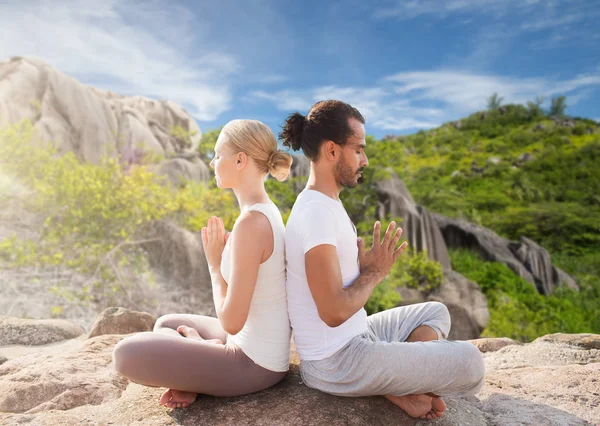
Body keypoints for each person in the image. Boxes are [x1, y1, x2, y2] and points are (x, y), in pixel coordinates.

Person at [280, 100, 485, 420]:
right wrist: (373, 273)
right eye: (358, 149)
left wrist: (359, 271)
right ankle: (398, 381)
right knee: (471, 362)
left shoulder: (327, 203)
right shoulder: (315, 213)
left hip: (358, 336)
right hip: (335, 360)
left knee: (436, 312)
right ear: (332, 151)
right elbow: (332, 312)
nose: (365, 159)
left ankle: (400, 384)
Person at [113, 119, 293, 409]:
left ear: (239, 160)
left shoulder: (252, 223)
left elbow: (232, 321)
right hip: (246, 345)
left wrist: (213, 263)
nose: (212, 163)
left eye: (217, 154)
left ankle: (197, 368)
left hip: (253, 363)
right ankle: (198, 362)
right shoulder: (263, 212)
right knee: (168, 323)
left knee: (124, 354)